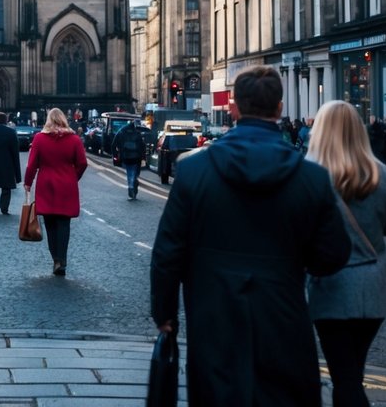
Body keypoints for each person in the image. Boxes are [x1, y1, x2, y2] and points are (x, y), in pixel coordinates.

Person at [150, 65, 350, 406]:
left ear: (234, 108)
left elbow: (168, 253)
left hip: (214, 322)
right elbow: (333, 254)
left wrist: (165, 315)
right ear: (279, 109)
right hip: (284, 320)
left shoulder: (193, 171)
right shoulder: (312, 178)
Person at [307, 101, 386, 407]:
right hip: (374, 289)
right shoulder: (380, 173)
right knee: (352, 372)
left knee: (345, 378)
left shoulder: (310, 174)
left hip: (331, 288)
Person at [24, 108, 88, 275]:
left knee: (50, 223)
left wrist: (28, 183)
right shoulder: (74, 139)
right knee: (64, 223)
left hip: (46, 184)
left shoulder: (39, 138)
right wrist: (74, 177)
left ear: (48, 120)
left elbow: (32, 165)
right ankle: (62, 259)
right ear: (64, 120)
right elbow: (82, 163)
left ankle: (56, 260)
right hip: (67, 185)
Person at [111, 119, 146, 199]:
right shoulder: (138, 132)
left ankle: (131, 187)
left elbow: (113, 144)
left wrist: (115, 155)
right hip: (137, 157)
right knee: (134, 172)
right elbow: (142, 146)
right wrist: (144, 157)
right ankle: (133, 184)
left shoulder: (122, 131)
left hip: (126, 156)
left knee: (130, 172)